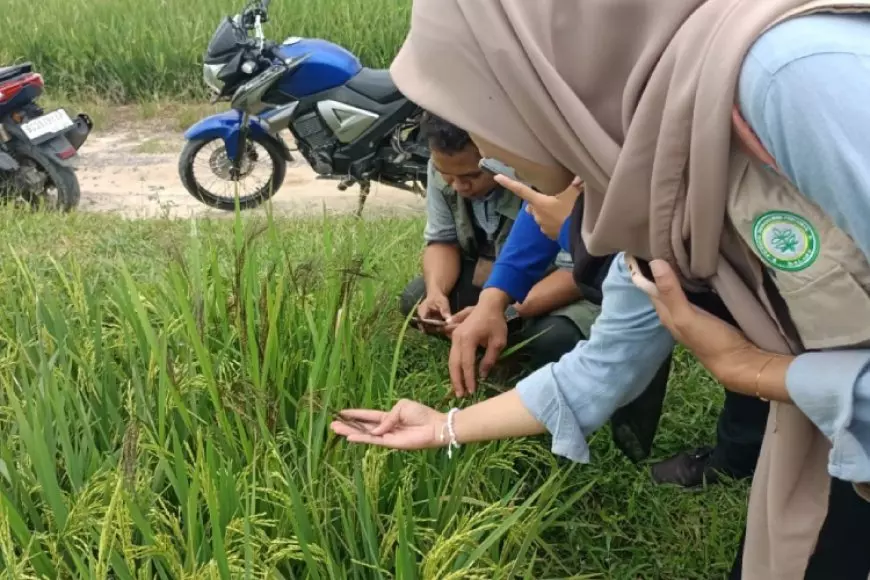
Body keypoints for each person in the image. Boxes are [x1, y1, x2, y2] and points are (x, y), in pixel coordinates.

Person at [332, 3, 870, 579]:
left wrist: (759, 374)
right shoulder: (652, 188)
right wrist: (443, 426)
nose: (484, 147)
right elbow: (598, 370)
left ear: (538, 77)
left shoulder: (788, 79)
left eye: (472, 102)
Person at [459, 194, 768, 488]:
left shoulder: (658, 235)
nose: (529, 207)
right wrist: (493, 298)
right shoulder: (638, 265)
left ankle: (750, 453)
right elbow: (592, 376)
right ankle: (738, 456)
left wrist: (574, 230)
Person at [400, 112, 599, 372]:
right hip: (499, 279)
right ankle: (488, 338)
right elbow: (442, 240)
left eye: (471, 176)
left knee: (553, 337)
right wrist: (437, 292)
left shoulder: (543, 175)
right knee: (417, 298)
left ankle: (511, 347)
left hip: (564, 285)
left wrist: (505, 312)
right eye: (446, 175)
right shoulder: (444, 168)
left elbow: (575, 272)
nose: (459, 186)